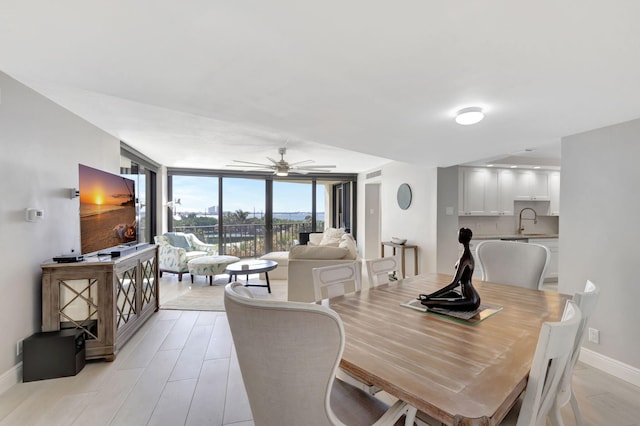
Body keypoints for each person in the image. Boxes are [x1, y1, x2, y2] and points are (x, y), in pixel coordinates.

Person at [418, 227, 481, 311]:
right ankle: (431, 299)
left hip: (471, 300)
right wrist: (433, 296)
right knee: (448, 295)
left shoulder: (465, 259)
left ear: (461, 237)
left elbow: (454, 284)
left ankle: (430, 300)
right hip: (464, 294)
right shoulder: (467, 256)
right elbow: (459, 283)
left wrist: (430, 296)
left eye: (458, 234)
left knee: (428, 302)